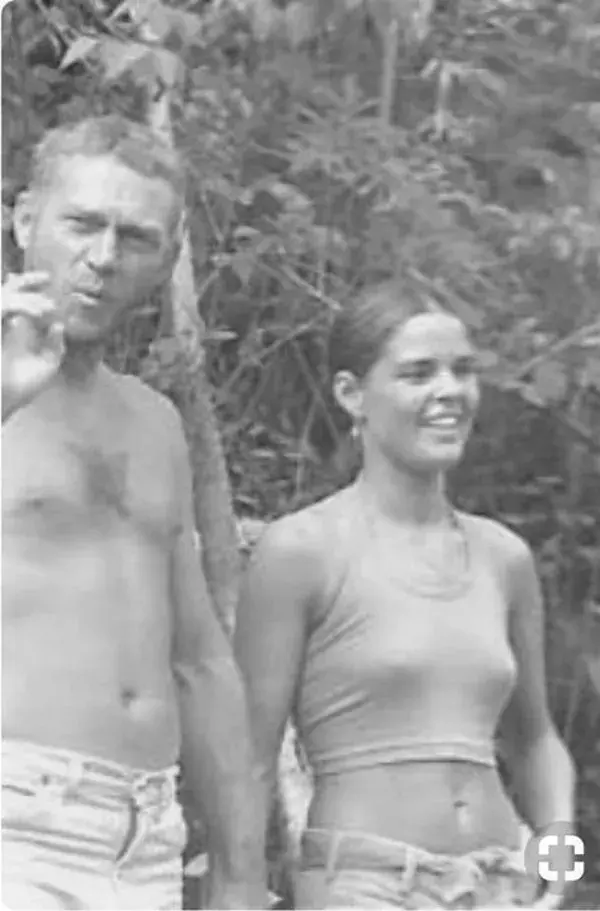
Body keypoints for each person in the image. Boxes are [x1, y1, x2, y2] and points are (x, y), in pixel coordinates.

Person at [234, 282, 576, 909]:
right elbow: (250, 756)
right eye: (418, 374)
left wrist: (562, 860)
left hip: (504, 880)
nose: (449, 391)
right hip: (365, 882)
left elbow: (536, 739)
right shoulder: (299, 551)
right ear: (351, 394)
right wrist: (236, 892)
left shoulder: (505, 557)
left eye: (463, 371)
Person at [2, 115, 265, 910]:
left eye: (136, 237)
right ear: (22, 220)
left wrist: (241, 869)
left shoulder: (154, 420)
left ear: (168, 258)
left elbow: (199, 658)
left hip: (144, 842)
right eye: (82, 223)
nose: (104, 257)